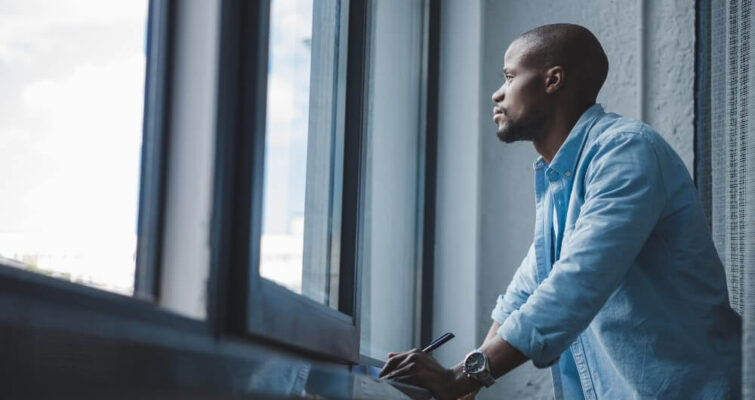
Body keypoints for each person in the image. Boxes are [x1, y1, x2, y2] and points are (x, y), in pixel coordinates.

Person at [379, 23, 742, 400]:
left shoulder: (626, 152)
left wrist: (463, 377)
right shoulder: (562, 179)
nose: (497, 92)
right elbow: (527, 290)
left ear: (553, 80)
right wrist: (466, 383)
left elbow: (574, 284)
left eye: (509, 76)